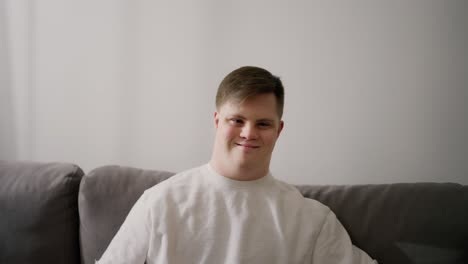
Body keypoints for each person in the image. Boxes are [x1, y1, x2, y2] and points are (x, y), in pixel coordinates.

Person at [97, 66, 377, 263]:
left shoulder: (311, 219)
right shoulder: (159, 203)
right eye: (237, 120)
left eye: (263, 124)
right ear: (218, 121)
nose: (249, 133)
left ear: (278, 130)